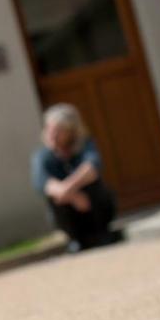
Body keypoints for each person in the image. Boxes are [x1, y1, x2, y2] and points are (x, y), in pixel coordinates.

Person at [31, 103, 119, 252]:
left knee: (94, 185)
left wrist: (69, 188)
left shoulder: (85, 146)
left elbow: (91, 169)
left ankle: (102, 232)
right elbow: (45, 184)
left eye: (58, 131)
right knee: (54, 197)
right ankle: (75, 239)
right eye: (50, 130)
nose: (53, 135)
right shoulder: (42, 157)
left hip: (95, 210)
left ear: (71, 132)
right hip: (69, 213)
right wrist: (73, 196)